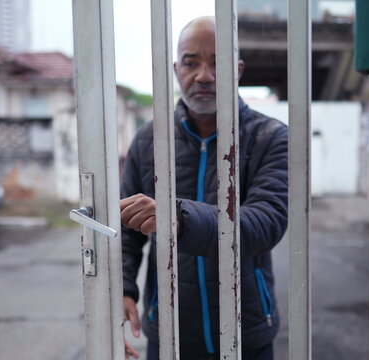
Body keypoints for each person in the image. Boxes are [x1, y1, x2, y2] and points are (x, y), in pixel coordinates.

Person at [119, 16, 288, 360]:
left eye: (218, 62)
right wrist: (122, 290)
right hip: (168, 330)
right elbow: (125, 230)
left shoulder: (269, 137)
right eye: (191, 62)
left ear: (238, 70)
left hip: (247, 331)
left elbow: (266, 222)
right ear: (175, 68)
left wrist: (176, 218)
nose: (204, 75)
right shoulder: (150, 140)